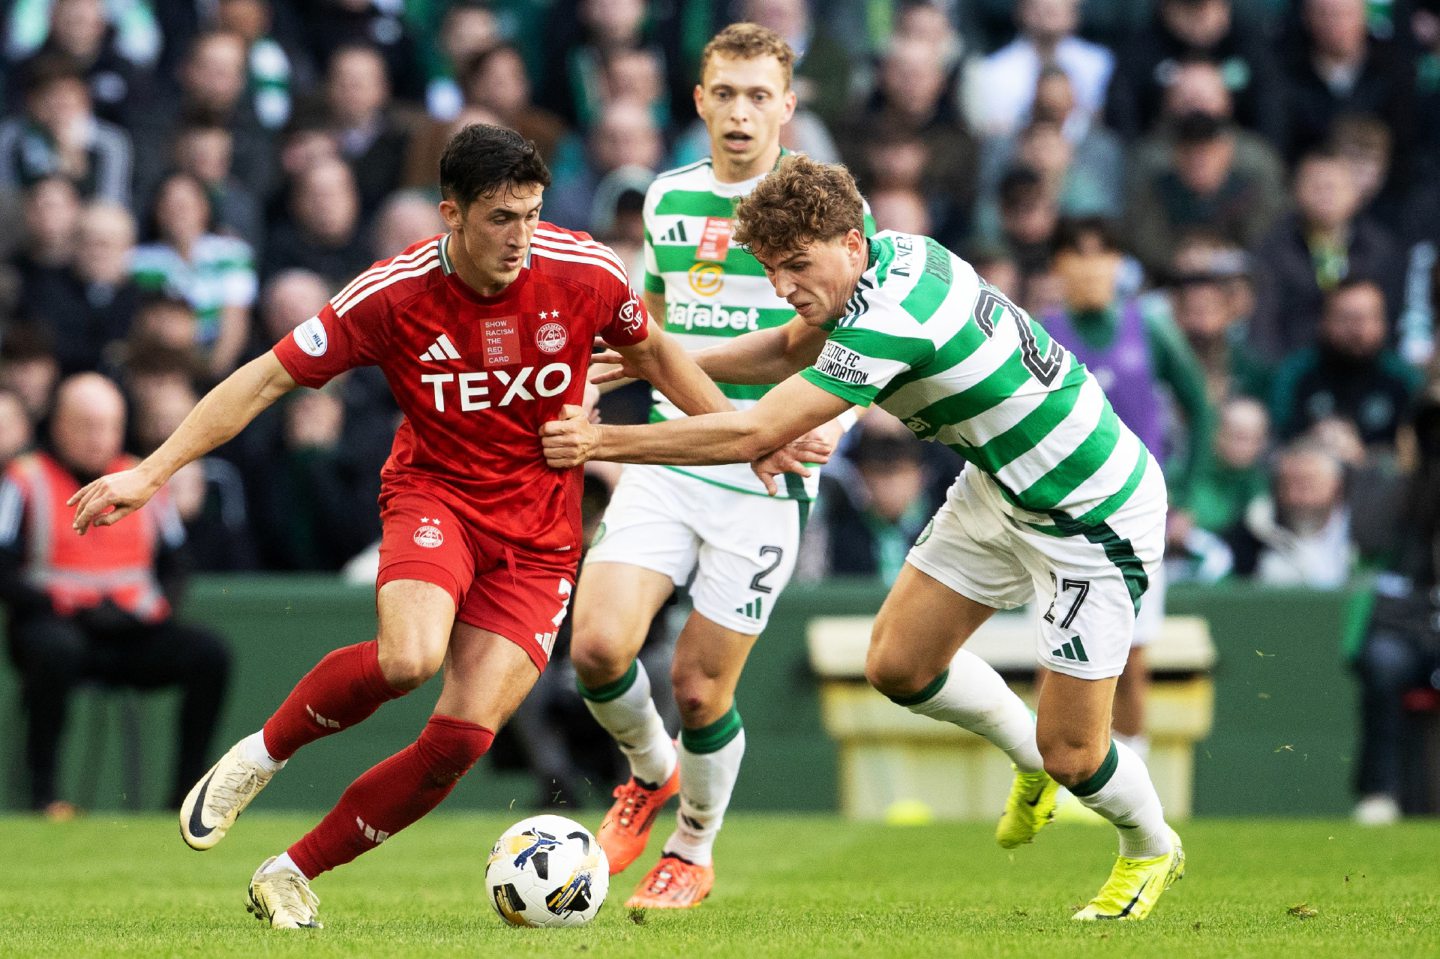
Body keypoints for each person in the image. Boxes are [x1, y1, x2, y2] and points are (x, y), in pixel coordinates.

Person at [68, 123, 746, 930]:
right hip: (438, 499)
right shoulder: (392, 292)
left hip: (539, 535)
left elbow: (662, 357)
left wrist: (753, 439)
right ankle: (262, 754)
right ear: (449, 215)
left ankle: (289, 872)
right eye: (501, 218)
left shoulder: (587, 271)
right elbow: (262, 380)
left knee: (461, 740)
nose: (521, 237)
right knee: (408, 658)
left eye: (531, 214)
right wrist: (151, 470)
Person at [554, 154, 1186, 922]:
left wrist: (597, 443)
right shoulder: (896, 258)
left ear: (851, 243)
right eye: (773, 269)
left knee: (1076, 753)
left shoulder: (892, 318)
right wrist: (640, 364)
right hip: (1001, 485)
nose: (785, 286)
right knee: (898, 664)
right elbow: (790, 346)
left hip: (1091, 510)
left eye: (796, 266)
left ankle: (1149, 844)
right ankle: (1030, 757)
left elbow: (757, 429)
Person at [568, 23, 852, 910]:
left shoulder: (826, 206)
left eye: (759, 95)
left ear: (787, 107)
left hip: (771, 472)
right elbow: (650, 333)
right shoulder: (667, 199)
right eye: (725, 93)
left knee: (697, 686)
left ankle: (692, 847)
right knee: (598, 647)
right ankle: (650, 776)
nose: (740, 112)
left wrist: (828, 426)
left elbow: (863, 341)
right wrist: (596, 378)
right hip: (675, 453)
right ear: (697, 100)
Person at [0, 373, 230, 819]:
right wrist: (49, 604)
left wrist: (154, 610)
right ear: (59, 424)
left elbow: (177, 563)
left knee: (209, 654)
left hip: (129, 629)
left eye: (107, 424)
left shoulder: (143, 478)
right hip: (55, 626)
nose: (97, 436)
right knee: (55, 650)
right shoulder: (24, 478)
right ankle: (45, 796)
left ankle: (185, 796)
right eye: (85, 424)